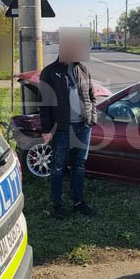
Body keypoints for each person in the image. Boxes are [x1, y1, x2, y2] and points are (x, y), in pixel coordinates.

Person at [38, 35, 97, 219]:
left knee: (79, 166)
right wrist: (47, 130)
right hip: (61, 130)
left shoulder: (83, 70)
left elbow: (92, 96)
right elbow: (44, 104)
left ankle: (78, 201)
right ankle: (57, 204)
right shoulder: (49, 72)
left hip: (82, 127)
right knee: (57, 167)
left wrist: (91, 118)